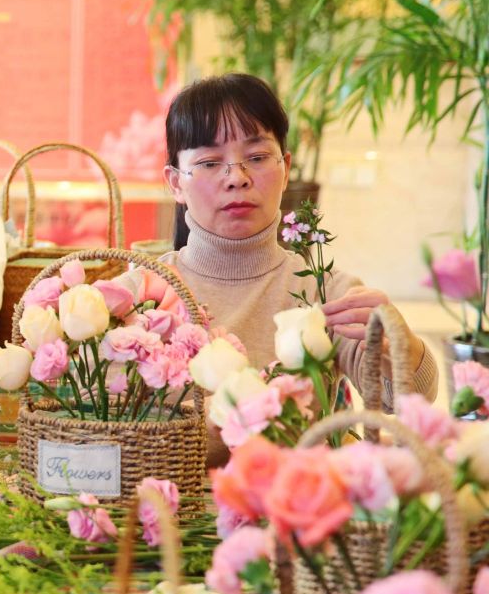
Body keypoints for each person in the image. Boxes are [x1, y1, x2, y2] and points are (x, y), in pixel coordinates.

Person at [160, 73, 437, 404]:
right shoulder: (140, 295)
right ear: (175, 183)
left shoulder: (326, 292)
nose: (237, 178)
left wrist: (403, 347)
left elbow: (407, 400)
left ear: (286, 168)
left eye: (257, 157)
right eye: (209, 162)